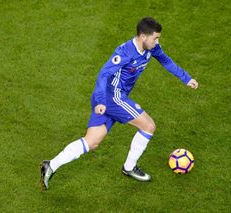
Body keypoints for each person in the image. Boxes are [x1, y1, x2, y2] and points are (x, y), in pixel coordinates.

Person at [40, 17, 198, 190]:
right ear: (143, 37)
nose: (157, 41)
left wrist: (186, 78)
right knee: (148, 126)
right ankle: (129, 167)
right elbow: (103, 75)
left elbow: (166, 60)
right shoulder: (125, 53)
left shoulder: (152, 48)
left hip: (112, 99)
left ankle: (51, 165)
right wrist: (100, 101)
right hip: (111, 97)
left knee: (92, 142)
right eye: (155, 38)